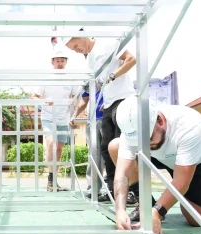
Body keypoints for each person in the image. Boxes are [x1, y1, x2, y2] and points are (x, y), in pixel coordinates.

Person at [110, 96, 201, 234]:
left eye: (148, 139)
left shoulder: (191, 125)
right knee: (115, 146)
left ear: (160, 121)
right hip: (160, 156)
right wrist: (120, 210)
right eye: (138, 143)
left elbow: (181, 181)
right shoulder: (132, 129)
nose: (144, 146)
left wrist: (158, 212)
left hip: (194, 161)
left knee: (196, 219)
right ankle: (146, 204)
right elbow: (122, 173)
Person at [61, 27, 137, 204]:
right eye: (72, 49)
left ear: (81, 36)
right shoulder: (90, 61)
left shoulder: (107, 44)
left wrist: (111, 76)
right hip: (108, 105)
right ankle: (113, 190)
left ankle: (132, 191)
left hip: (123, 100)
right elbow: (93, 89)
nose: (76, 50)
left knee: (122, 148)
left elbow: (131, 60)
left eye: (75, 45)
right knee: (106, 148)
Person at [32, 49, 79, 192]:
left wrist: (74, 115)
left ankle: (53, 180)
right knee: (51, 143)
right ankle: (50, 179)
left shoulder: (71, 79)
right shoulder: (46, 78)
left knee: (59, 149)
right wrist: (45, 102)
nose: (60, 63)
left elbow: (75, 99)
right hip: (48, 117)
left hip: (63, 119)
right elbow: (34, 96)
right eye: (57, 60)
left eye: (62, 61)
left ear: (66, 62)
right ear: (52, 62)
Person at [70, 90, 104, 198]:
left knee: (111, 154)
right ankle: (93, 190)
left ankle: (114, 190)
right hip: (93, 120)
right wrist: (74, 116)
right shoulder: (88, 82)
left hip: (109, 116)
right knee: (94, 155)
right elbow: (84, 101)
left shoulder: (111, 75)